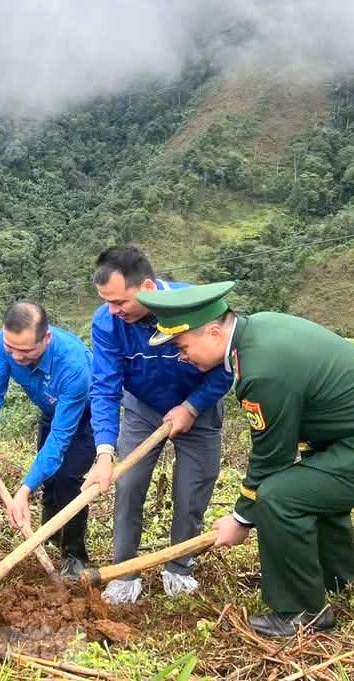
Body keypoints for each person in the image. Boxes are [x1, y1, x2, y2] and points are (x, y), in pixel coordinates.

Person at [138, 281, 354, 637]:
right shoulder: (259, 330)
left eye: (183, 346)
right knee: (311, 488)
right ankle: (347, 587)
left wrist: (241, 519)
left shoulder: (262, 370)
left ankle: (300, 612)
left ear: (214, 332)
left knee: (279, 496)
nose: (182, 356)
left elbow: (271, 458)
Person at [84, 245, 231, 605]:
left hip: (199, 404)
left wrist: (192, 407)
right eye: (107, 302)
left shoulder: (194, 304)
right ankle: (123, 572)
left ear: (147, 287)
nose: (114, 311)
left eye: (120, 302)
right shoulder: (107, 323)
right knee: (129, 484)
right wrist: (105, 452)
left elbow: (229, 362)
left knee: (191, 490)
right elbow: (104, 387)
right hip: (142, 407)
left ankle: (179, 567)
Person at [0, 302, 95, 579]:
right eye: (11, 348)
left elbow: (61, 438)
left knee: (67, 480)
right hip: (51, 410)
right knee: (49, 479)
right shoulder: (7, 345)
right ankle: (51, 534)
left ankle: (75, 556)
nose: (16, 356)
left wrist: (24, 490)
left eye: (26, 351)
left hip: (87, 417)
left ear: (46, 338)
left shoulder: (73, 366)